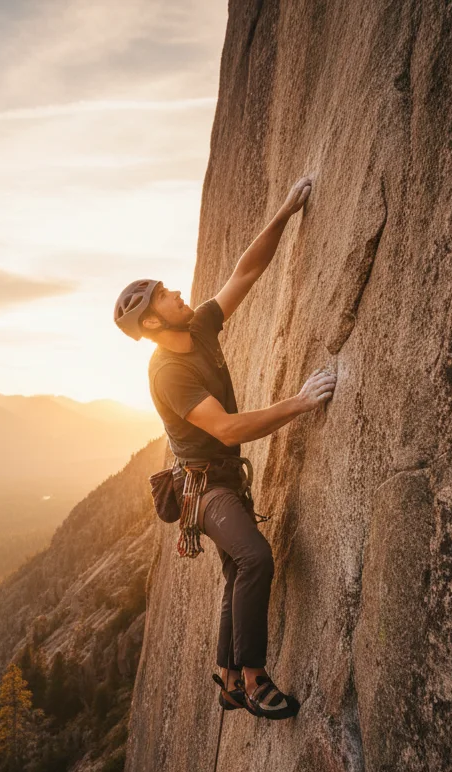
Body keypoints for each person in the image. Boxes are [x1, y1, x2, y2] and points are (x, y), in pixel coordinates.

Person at [112, 176, 336, 721]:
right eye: (167, 295)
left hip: (222, 481)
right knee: (254, 557)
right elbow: (229, 431)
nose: (179, 294)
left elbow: (246, 271)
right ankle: (255, 678)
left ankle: (230, 680)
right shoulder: (167, 371)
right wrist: (301, 403)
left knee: (238, 572)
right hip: (205, 490)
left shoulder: (200, 328)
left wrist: (283, 212)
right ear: (152, 321)